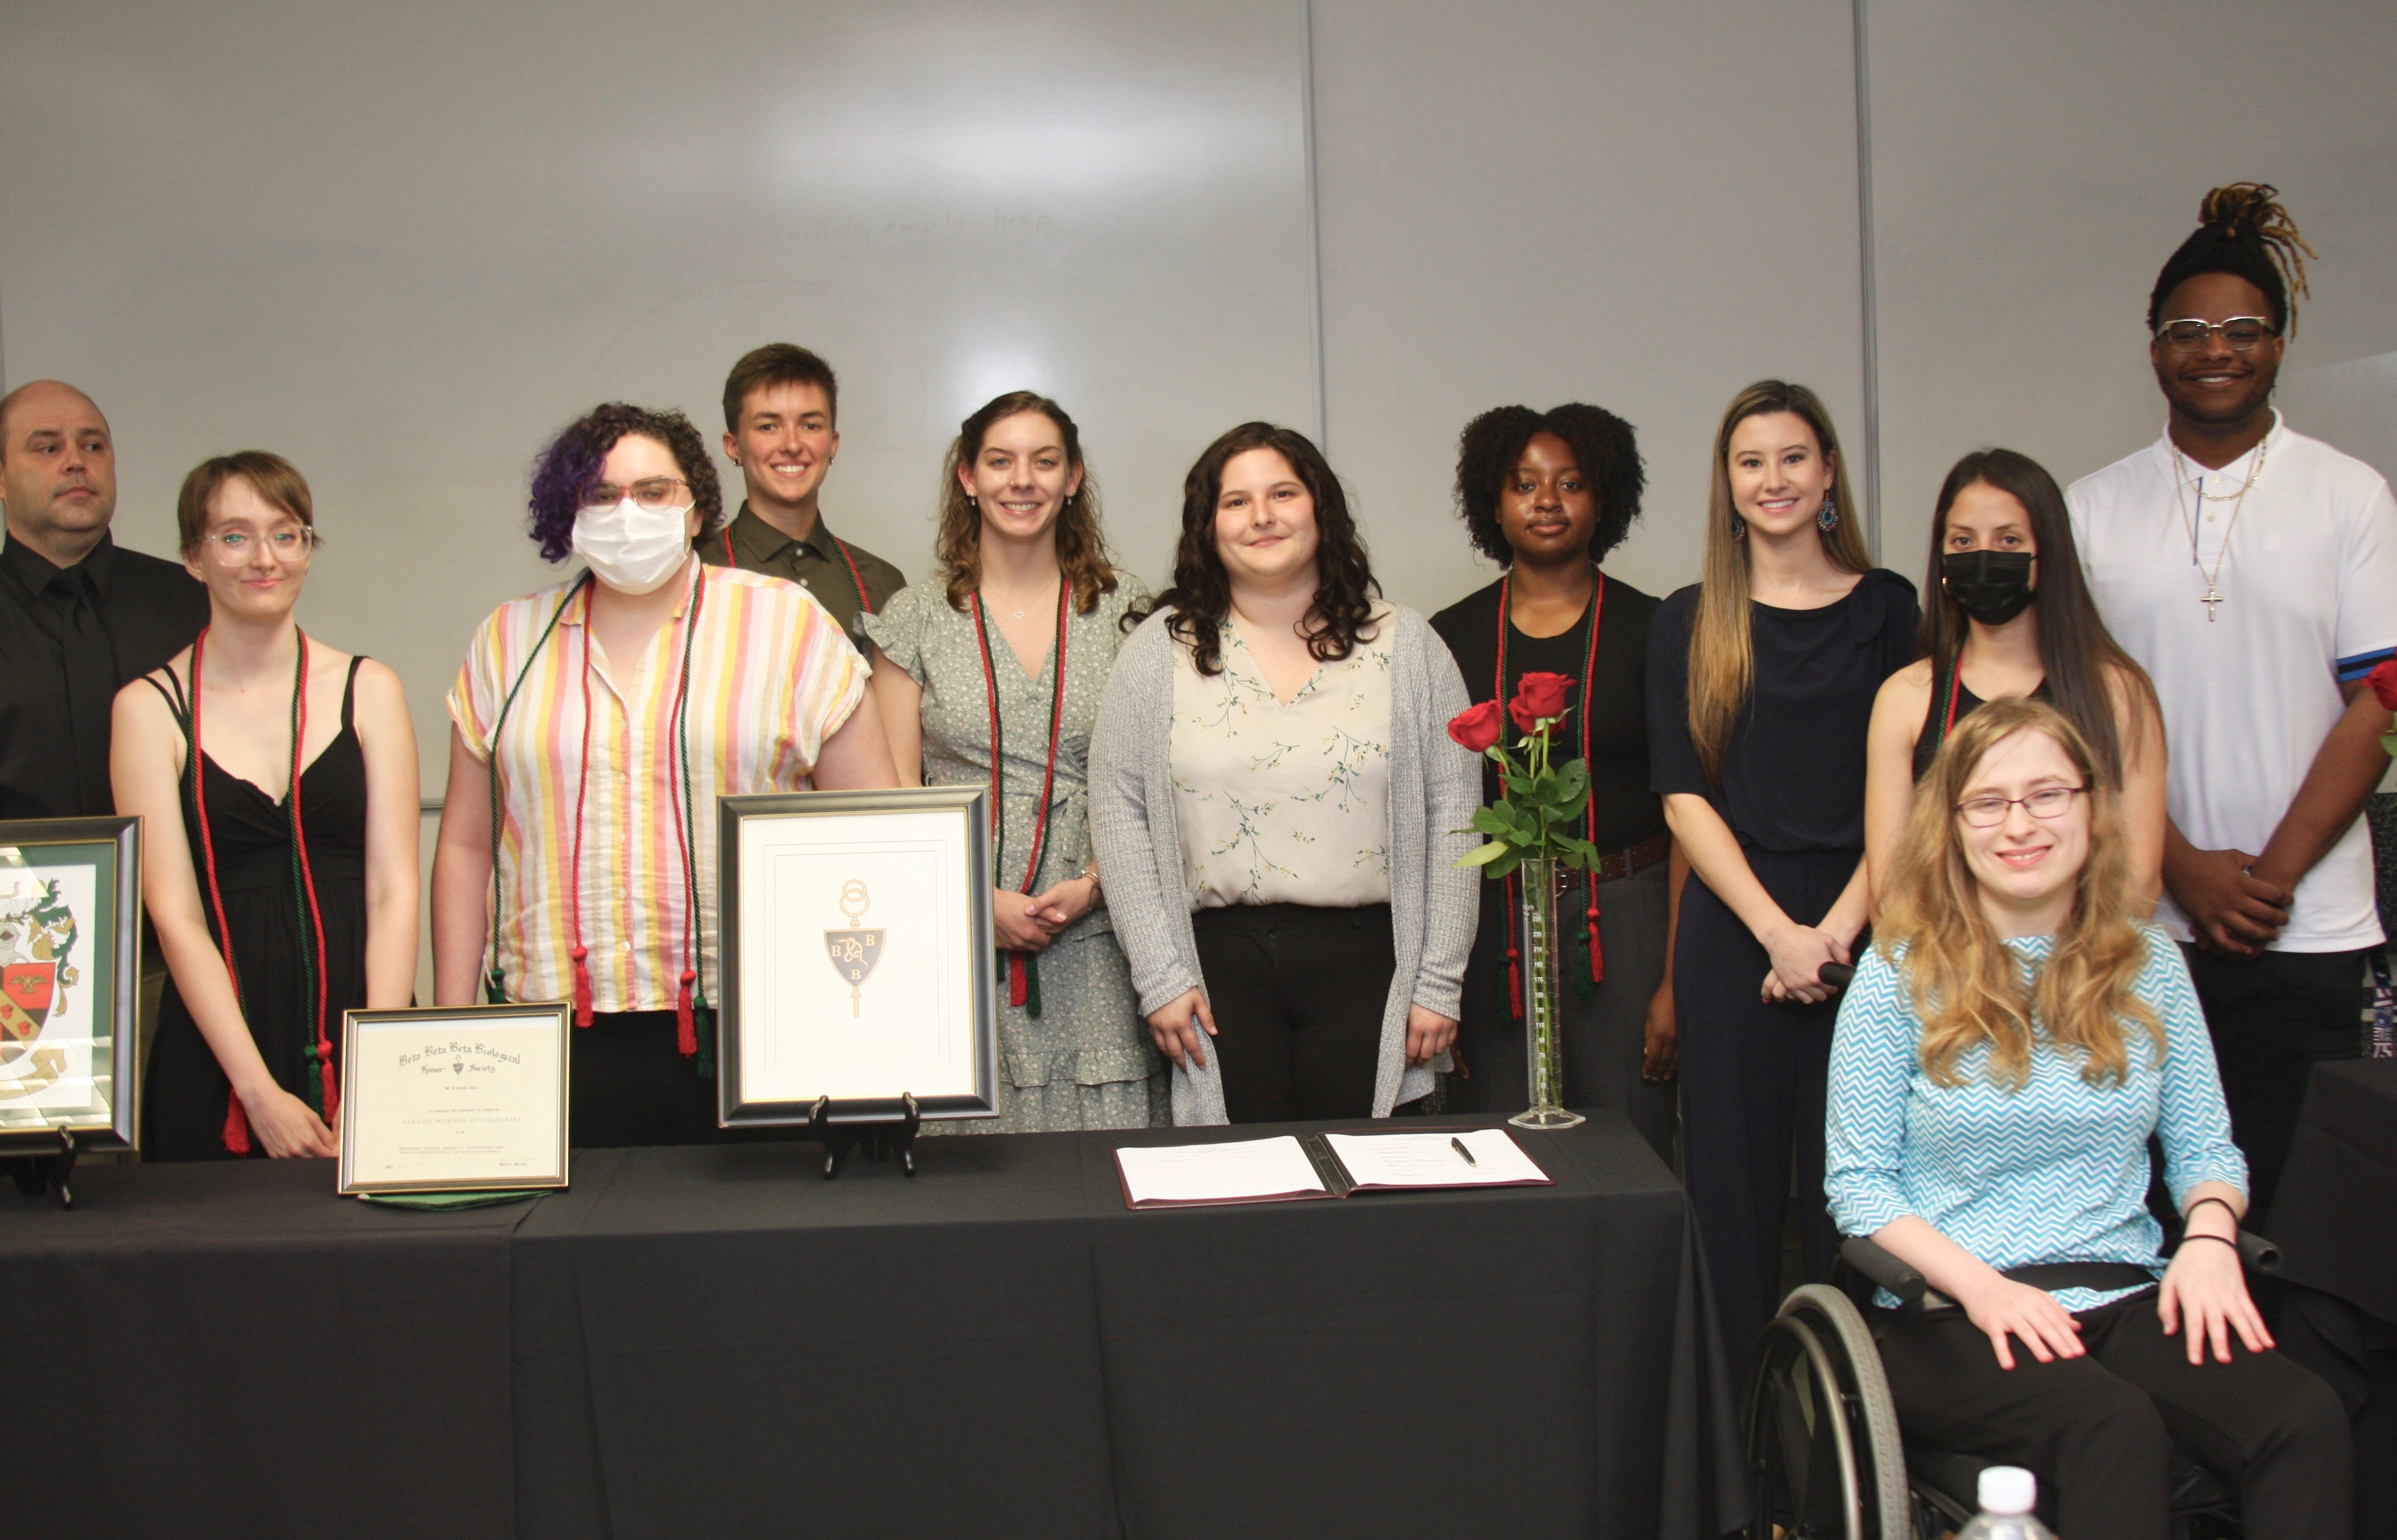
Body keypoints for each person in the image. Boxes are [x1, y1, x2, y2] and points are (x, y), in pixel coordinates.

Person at [1827, 697, 2349, 1540]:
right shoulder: (1896, 974)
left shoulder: (2151, 965)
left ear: (2089, 806)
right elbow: (1859, 1187)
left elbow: (2206, 1146)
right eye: (1989, 801)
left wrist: (2211, 1238)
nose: (2020, 823)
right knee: (2111, 1427)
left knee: (2302, 1414)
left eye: (2047, 794)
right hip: (1951, 1313)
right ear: (1952, 825)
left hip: (2126, 1293)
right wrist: (1985, 1289)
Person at [430, 403, 898, 1148]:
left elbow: (875, 832)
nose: (628, 514)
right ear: (568, 513)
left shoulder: (787, 625)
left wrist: (872, 1020)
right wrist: (455, 1028)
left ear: (696, 506)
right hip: (548, 1031)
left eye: (653, 492)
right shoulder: (507, 640)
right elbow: (463, 846)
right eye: (601, 494)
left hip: (754, 1024)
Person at [2067, 183, 2397, 1223]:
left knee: (2303, 1220)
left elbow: (2380, 702)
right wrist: (2181, 869)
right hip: (2136, 921)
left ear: (2281, 343)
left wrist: (2266, 878)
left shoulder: (2348, 494)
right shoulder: (2089, 506)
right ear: (2154, 348)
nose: (2216, 349)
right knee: (2147, 1212)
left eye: (2243, 329)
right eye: (2189, 331)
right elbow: (2071, 721)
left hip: (2310, 924)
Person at [1089, 422, 1477, 1123]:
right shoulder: (1157, 652)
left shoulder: (1408, 644)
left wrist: (1439, 981)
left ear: (1320, 509)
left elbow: (1454, 815)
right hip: (1214, 978)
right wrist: (1158, 977)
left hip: (1371, 968)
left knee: (1365, 1195)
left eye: (1282, 493)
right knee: (1245, 1199)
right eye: (1235, 501)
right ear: (1208, 525)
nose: (1261, 516)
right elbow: (1119, 814)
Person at [1647, 378, 1918, 1367]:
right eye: (1751, 461)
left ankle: (1856, 1452)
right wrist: (1776, 932)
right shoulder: (1687, 620)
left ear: (1830, 469)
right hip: (1736, 929)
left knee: (1860, 1195)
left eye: (1794, 457)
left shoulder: (1890, 608)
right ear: (1727, 483)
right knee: (1732, 1200)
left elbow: (1915, 787)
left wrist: (1838, 931)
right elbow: (1683, 796)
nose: (1775, 479)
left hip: (1868, 924)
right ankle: (1736, 1472)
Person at [863, 392, 1163, 1130]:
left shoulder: (1130, 611)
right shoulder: (916, 615)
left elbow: (1161, 783)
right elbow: (889, 795)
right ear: (968, 476)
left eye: (1044, 460)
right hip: (956, 938)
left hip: (1100, 935)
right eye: (1000, 461)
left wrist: (1096, 885)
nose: (1021, 479)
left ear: (1073, 477)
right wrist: (972, 902)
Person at [111, 453, 420, 1158]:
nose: (264, 558)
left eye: (286, 534)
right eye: (234, 536)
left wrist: (380, 1066)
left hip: (358, 1021)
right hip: (221, 1043)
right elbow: (176, 914)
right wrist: (254, 1089)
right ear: (193, 558)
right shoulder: (148, 709)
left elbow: (393, 887)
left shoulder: (371, 688)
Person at [1428, 403, 1678, 1160]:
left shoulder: (1658, 627)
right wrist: (1443, 980)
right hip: (1494, 924)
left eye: (1569, 482)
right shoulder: (1449, 635)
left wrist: (1675, 979)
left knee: (1628, 1147)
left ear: (1603, 497)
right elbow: (1434, 814)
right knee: (1497, 1149)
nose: (1546, 500)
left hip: (1627, 919)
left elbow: (1688, 810)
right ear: (1491, 504)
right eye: (1524, 483)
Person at [1865, 448, 2166, 908]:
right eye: (1964, 542)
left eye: (2008, 541)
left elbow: (2137, 885)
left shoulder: (2117, 693)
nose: (1984, 556)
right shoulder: (1906, 698)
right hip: (1946, 973)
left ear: (2048, 553)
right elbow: (1892, 890)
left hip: (2086, 974)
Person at [1, 381, 209, 822]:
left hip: (181, 886)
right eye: (47, 449)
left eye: (93, 445)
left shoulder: (195, 602)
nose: (76, 462)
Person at [699, 344, 905, 641]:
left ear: (833, 444)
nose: (793, 445)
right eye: (769, 426)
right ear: (734, 447)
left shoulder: (882, 583)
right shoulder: (694, 572)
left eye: (810, 425)